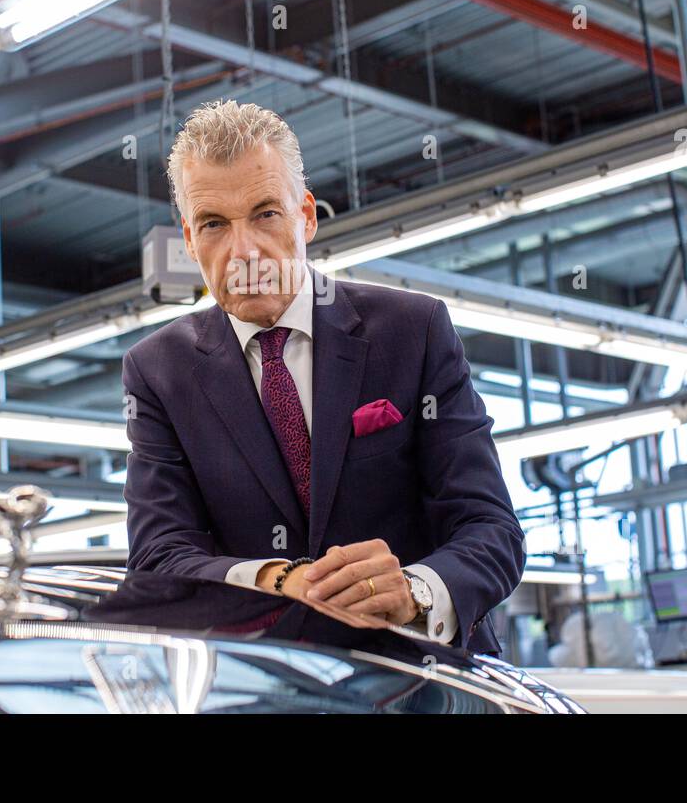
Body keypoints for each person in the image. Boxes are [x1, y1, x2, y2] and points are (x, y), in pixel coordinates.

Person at [122, 99, 525, 651]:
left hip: (426, 684)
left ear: (306, 216)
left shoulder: (414, 331)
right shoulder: (157, 372)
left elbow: (490, 528)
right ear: (189, 241)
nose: (243, 250)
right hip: (262, 687)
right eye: (214, 224)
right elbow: (158, 560)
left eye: (266, 213)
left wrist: (417, 592)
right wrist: (278, 580)